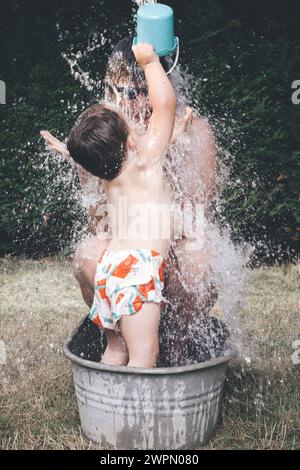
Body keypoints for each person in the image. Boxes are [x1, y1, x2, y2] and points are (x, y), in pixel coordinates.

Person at [41, 37, 220, 366]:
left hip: (149, 259)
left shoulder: (192, 134)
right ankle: (144, 379)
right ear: (112, 92)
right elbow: (98, 223)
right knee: (88, 256)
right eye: (127, 94)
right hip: (140, 265)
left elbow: (196, 222)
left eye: (145, 90)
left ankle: (170, 351)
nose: (139, 104)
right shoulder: (128, 145)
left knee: (199, 260)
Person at [65, 43, 176, 368]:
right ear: (129, 141)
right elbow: (165, 106)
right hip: (137, 272)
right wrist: (150, 61)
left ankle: (106, 403)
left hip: (110, 269)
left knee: (117, 350)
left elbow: (84, 154)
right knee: (144, 355)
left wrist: (68, 149)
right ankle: (136, 417)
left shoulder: (108, 174)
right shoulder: (145, 160)